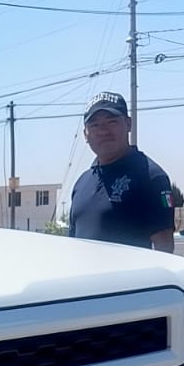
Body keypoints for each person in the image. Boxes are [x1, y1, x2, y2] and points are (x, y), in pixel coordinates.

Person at [67, 94, 175, 253]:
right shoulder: (82, 183)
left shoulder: (150, 177)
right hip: (84, 277)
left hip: (128, 278)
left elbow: (164, 248)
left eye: (112, 122)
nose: (103, 131)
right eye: (95, 125)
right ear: (85, 134)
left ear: (128, 124)